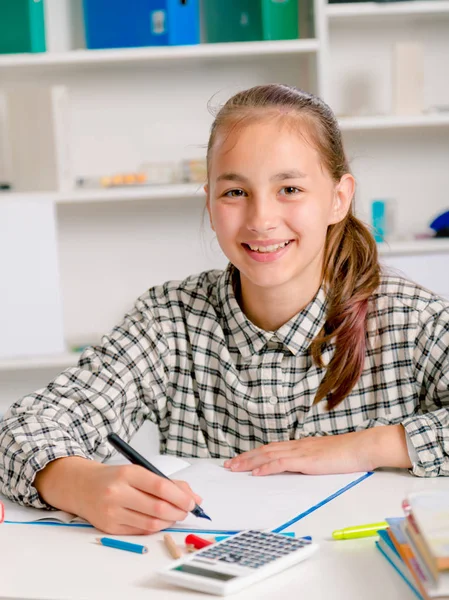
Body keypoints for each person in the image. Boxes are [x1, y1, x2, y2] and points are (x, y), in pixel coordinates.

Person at [0, 84, 448, 536]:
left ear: (338, 197)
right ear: (210, 202)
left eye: (289, 188)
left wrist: (370, 445)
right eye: (235, 192)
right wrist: (79, 483)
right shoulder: (169, 320)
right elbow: (24, 429)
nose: (260, 219)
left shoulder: (409, 319)